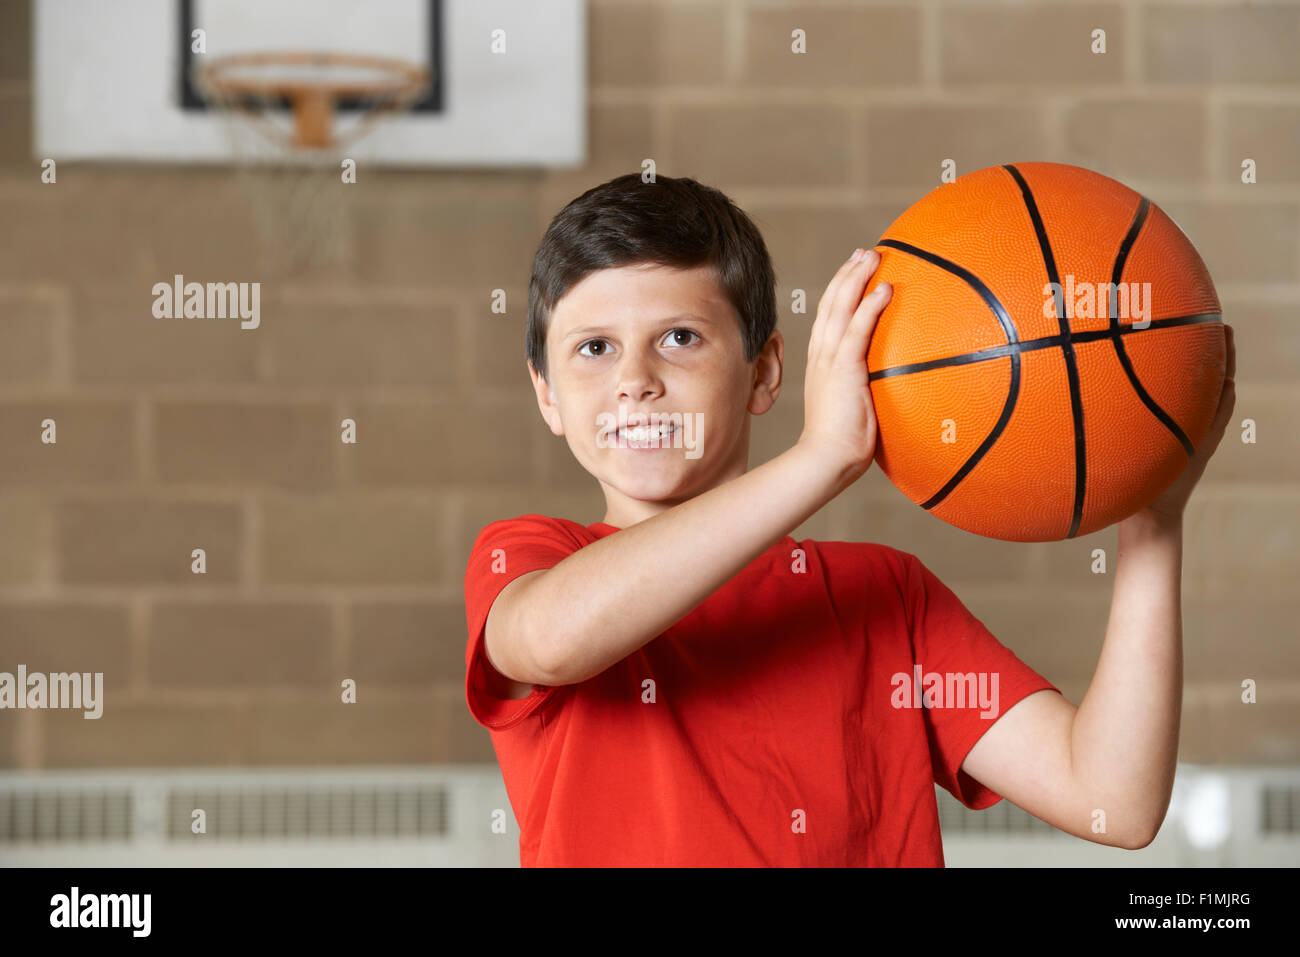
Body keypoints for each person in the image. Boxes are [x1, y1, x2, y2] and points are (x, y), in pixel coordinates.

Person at [462, 173, 1237, 866]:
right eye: (594, 348)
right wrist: (819, 458)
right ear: (548, 396)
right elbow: (556, 641)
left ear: (764, 372)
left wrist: (1152, 522)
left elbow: (1115, 800)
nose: (636, 382)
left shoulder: (885, 597)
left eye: (680, 337)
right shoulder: (528, 558)